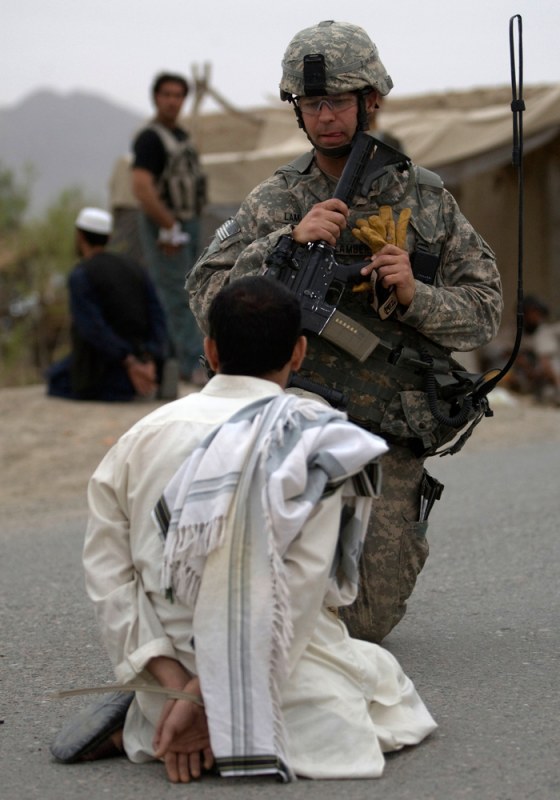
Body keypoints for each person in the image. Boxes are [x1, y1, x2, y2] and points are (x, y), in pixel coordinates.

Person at [186, 20, 504, 643]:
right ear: (297, 110)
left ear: (371, 101)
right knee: (256, 604)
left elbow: (486, 308)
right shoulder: (276, 199)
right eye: (312, 103)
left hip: (385, 427)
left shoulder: (428, 201)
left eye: (338, 100)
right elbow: (204, 296)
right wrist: (283, 244)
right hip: (286, 424)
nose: (325, 115)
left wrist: (417, 297)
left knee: (363, 623)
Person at [50, 276, 436, 783]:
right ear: (299, 353)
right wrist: (213, 695)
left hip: (172, 665)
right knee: (386, 691)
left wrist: (179, 682)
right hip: (276, 671)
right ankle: (206, 726)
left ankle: (152, 721)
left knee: (171, 667)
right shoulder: (316, 436)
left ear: (209, 350)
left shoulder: (139, 438)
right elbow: (301, 593)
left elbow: (109, 579)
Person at [132, 71, 207, 386]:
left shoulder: (181, 136)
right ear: (156, 97)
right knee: (176, 295)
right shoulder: (151, 138)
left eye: (178, 95)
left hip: (188, 220)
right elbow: (142, 187)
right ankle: (188, 365)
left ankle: (189, 361)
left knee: (193, 291)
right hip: (166, 223)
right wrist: (168, 226)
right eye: (167, 95)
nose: (173, 101)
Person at [46, 207, 167, 402]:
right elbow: (158, 317)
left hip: (105, 376)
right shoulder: (136, 268)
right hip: (147, 367)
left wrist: (130, 364)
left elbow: (93, 329)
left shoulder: (81, 275)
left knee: (54, 379)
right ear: (109, 237)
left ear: (79, 237)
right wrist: (149, 359)